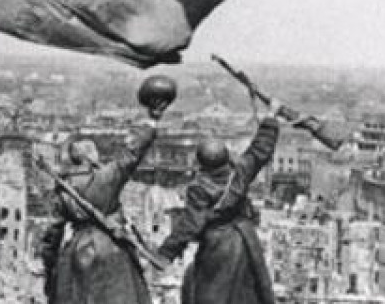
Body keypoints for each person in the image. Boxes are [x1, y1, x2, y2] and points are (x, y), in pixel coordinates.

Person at [40, 93, 170, 304]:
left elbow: (52, 235)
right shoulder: (106, 177)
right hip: (111, 247)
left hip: (77, 250)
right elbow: (132, 154)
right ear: (92, 157)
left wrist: (50, 269)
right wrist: (152, 121)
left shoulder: (62, 189)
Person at [156, 106, 283, 304]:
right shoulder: (240, 172)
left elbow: (191, 224)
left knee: (212, 294)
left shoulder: (198, 188)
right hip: (245, 241)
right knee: (249, 293)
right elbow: (259, 151)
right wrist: (270, 119)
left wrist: (166, 253)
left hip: (218, 246)